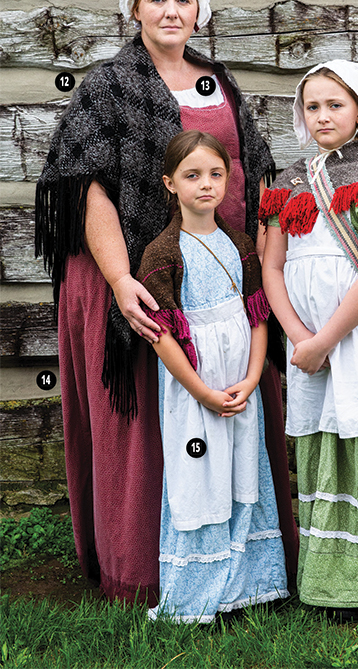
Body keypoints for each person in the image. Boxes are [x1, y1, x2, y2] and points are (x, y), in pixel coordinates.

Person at [35, 0, 297, 605]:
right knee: (150, 417)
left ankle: (240, 559)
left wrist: (263, 264)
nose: (171, 10)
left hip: (222, 271)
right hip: (132, 268)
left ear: (199, 11)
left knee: (231, 396)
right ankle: (148, 567)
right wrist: (123, 279)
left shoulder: (217, 81)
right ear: (135, 10)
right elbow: (89, 190)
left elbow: (255, 172)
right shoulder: (110, 86)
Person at [260, 60, 358, 619]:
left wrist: (326, 339)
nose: (323, 116)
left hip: (352, 341)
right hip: (306, 346)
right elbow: (272, 269)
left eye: (336, 104)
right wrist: (298, 339)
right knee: (318, 452)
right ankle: (326, 582)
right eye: (313, 106)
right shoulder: (288, 183)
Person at [135, 130, 288, 622]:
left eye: (216, 174)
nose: (206, 185)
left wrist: (252, 376)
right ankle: (197, 592)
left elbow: (258, 316)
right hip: (193, 388)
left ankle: (247, 586)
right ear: (170, 184)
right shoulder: (163, 254)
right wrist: (201, 391)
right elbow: (162, 337)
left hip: (241, 386)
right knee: (200, 475)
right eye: (192, 175)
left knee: (244, 470)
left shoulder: (242, 245)